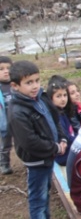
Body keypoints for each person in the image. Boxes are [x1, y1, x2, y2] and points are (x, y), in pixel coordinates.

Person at [7, 61, 67, 219]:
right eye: (28, 83)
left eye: (37, 81)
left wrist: (62, 138)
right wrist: (55, 148)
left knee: (44, 194)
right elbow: (30, 142)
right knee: (38, 199)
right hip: (36, 161)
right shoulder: (18, 112)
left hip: (48, 156)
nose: (35, 86)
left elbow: (55, 120)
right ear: (15, 86)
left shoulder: (41, 98)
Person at [47, 80, 76, 166]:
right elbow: (66, 136)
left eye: (65, 95)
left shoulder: (62, 112)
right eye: (58, 96)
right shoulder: (56, 116)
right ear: (51, 99)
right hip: (65, 155)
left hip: (72, 149)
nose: (63, 99)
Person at [0, 56, 13, 175]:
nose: (5, 71)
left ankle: (27, 160)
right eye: (1, 69)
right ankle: (4, 163)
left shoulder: (15, 85)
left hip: (18, 121)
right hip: (4, 122)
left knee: (23, 142)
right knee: (5, 145)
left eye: (8, 68)